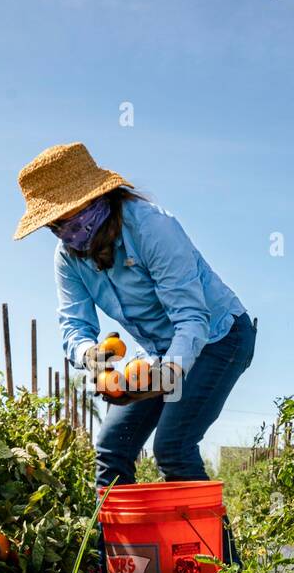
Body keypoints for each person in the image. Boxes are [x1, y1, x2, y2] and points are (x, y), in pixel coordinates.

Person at [13, 142, 255, 490]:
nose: (61, 230)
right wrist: (92, 358)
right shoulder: (68, 256)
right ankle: (115, 547)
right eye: (52, 224)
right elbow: (74, 324)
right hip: (157, 350)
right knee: (111, 449)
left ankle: (216, 547)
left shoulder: (151, 228)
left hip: (219, 337)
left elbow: (191, 317)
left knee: (173, 448)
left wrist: (167, 374)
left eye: (63, 217)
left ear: (92, 198)